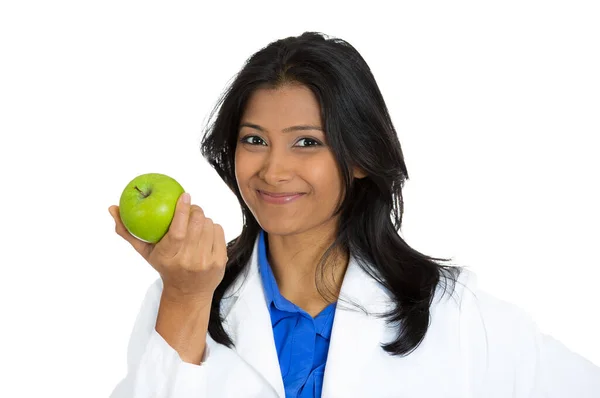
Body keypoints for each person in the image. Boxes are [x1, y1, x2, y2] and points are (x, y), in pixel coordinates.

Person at [108, 32, 600, 398]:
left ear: (360, 156)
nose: (273, 169)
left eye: (307, 142)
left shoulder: (457, 315)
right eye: (254, 140)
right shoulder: (181, 299)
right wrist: (186, 296)